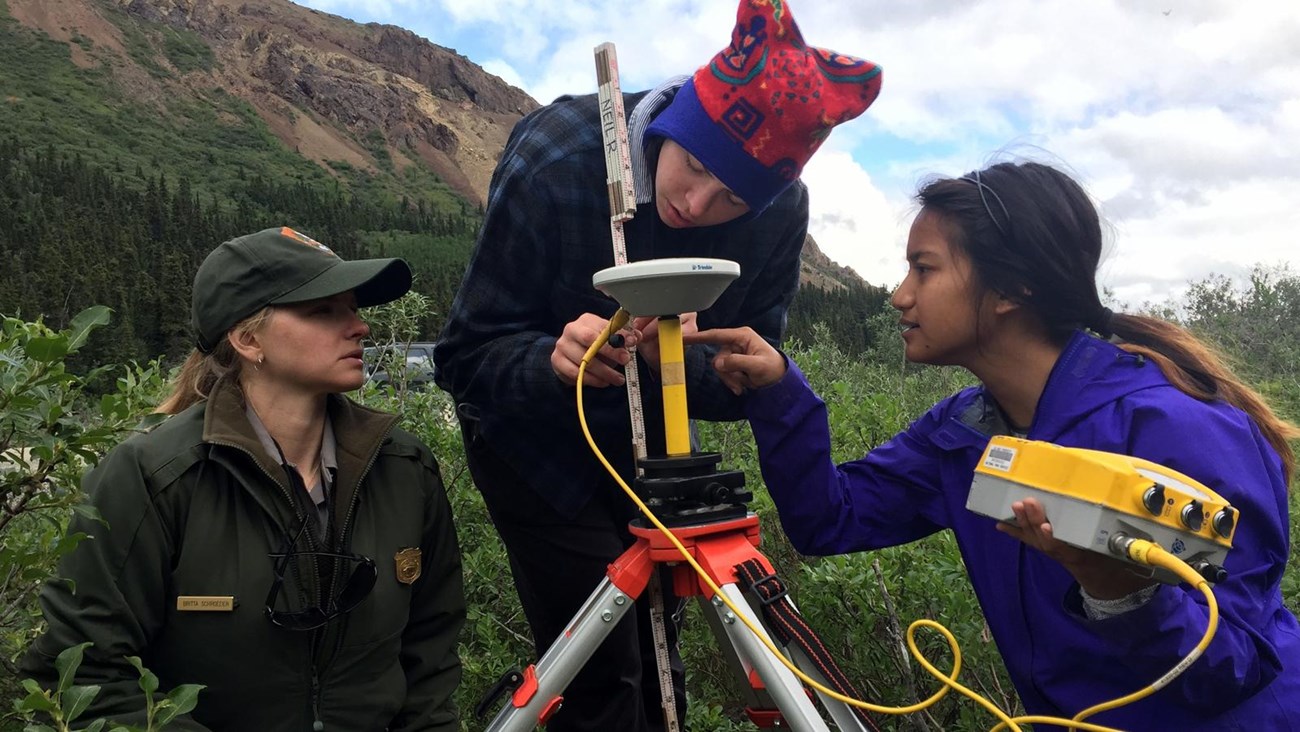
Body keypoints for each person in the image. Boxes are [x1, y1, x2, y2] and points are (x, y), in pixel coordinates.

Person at [684, 161, 1300, 729]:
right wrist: (778, 393)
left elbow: (1240, 662)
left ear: (1009, 290)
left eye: (923, 269)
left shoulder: (1176, 425)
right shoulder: (966, 431)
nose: (900, 295)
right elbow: (831, 519)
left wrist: (1122, 592)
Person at [431, 1, 881, 729]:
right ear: (678, 124)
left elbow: (740, 380)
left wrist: (680, 359)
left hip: (657, 459)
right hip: (532, 450)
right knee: (604, 674)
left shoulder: (778, 212)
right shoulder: (557, 158)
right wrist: (553, 360)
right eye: (695, 165)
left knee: (660, 652)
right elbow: (464, 356)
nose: (695, 203)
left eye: (731, 197)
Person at [21, 227, 466, 731]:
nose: (359, 327)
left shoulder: (405, 469)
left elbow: (430, 657)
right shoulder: (153, 478)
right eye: (324, 310)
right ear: (248, 339)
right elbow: (84, 677)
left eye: (354, 308)